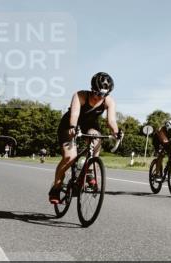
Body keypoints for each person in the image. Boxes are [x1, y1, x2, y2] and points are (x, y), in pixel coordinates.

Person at [48, 72, 119, 205]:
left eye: (104, 94)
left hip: (90, 124)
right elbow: (74, 114)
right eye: (98, 93)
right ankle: (56, 188)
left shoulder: (108, 101)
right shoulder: (80, 95)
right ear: (92, 89)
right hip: (70, 124)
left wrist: (116, 131)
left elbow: (111, 121)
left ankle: (90, 171)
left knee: (97, 138)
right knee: (70, 157)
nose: (100, 97)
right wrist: (73, 126)